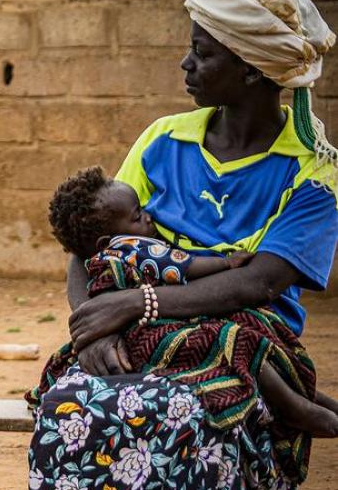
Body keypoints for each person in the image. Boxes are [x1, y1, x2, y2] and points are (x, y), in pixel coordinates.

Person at [29, 0, 338, 490]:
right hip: (139, 332)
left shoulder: (312, 172)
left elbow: (260, 284)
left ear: (250, 70)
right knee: (69, 400)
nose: (186, 63)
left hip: (249, 339)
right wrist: (92, 330)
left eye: (202, 52)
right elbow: (90, 251)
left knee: (191, 415)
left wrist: (137, 304)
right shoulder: (164, 138)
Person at [33, 166, 338, 441]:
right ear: (106, 239)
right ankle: (295, 406)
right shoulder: (133, 248)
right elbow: (185, 266)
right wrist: (227, 263)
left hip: (133, 332)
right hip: (153, 333)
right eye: (138, 215)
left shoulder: (99, 257)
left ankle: (307, 400)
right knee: (230, 339)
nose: (149, 215)